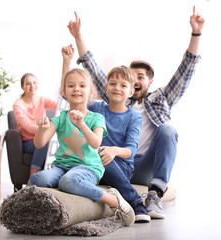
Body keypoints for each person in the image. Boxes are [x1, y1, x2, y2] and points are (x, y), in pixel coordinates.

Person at [67, 6, 205, 219]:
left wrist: (196, 33)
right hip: (115, 163)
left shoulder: (162, 98)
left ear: (149, 81)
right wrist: (78, 36)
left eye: (141, 76)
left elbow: (186, 70)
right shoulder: (116, 97)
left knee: (168, 129)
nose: (136, 79)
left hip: (145, 165)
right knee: (97, 147)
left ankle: (155, 194)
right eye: (132, 76)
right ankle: (131, 200)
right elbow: (92, 68)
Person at [28, 68, 135, 227]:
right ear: (64, 92)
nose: (76, 89)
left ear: (91, 92)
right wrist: (42, 129)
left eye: (82, 86)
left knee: (68, 181)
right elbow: (39, 143)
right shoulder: (59, 119)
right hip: (62, 166)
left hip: (88, 167)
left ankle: (112, 199)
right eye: (71, 86)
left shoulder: (96, 118)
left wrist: (81, 124)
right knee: (39, 179)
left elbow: (96, 143)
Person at [62, 45, 150, 223]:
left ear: (131, 92)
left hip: (121, 167)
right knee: (90, 158)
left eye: (123, 85)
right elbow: (69, 94)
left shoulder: (133, 117)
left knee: (101, 155)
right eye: (112, 84)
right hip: (95, 163)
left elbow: (131, 150)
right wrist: (67, 62)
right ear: (106, 87)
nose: (117, 88)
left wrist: (114, 151)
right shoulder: (96, 107)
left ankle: (135, 201)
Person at [13, 73, 58, 178]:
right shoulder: (18, 104)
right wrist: (46, 130)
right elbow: (28, 127)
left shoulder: (42, 100)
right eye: (28, 84)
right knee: (44, 142)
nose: (32, 86)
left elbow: (60, 105)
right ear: (22, 87)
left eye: (34, 82)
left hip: (43, 136)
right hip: (28, 142)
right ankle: (32, 177)